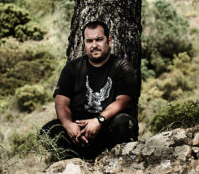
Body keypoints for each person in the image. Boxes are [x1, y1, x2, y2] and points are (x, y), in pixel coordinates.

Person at [40, 20, 139, 160]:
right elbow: (61, 101)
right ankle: (73, 164)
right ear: (84, 44)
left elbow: (124, 101)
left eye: (99, 39)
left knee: (123, 122)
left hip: (107, 130)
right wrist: (68, 124)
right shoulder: (72, 68)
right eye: (89, 41)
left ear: (109, 41)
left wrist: (98, 120)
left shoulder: (122, 67)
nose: (94, 45)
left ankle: (111, 163)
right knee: (48, 130)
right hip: (78, 134)